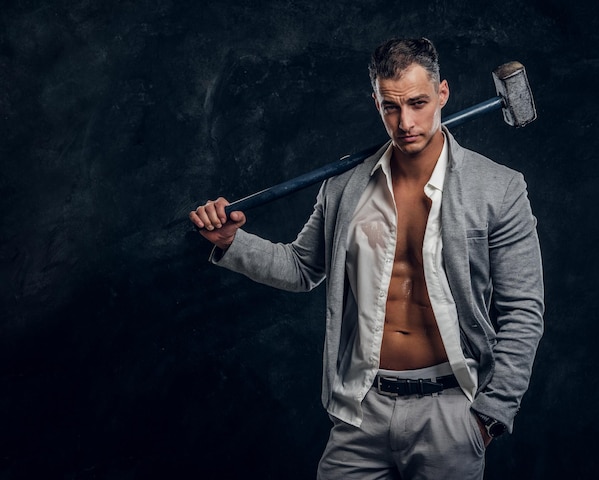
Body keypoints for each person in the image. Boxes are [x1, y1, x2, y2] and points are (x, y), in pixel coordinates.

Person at [189, 37, 544, 479]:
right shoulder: (345, 187)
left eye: (418, 103)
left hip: (452, 414)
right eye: (391, 107)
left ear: (443, 94)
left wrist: (489, 416)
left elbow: (523, 311)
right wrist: (231, 242)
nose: (406, 122)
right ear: (375, 101)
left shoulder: (499, 188)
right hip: (362, 411)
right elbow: (301, 268)